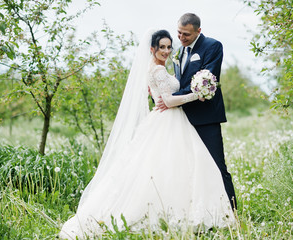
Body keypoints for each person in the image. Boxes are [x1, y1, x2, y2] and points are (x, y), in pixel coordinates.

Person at [59, 29, 234, 240]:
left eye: (169, 47)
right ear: (152, 49)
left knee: (173, 167)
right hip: (167, 119)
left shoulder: (159, 68)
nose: (167, 51)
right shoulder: (158, 71)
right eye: (162, 47)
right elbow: (168, 101)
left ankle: (182, 211)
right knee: (165, 167)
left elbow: (163, 94)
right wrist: (195, 95)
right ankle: (169, 213)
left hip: (171, 120)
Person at [157, 13, 237, 209]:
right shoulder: (178, 52)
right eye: (179, 32)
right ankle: (200, 211)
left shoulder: (212, 46)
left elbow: (207, 81)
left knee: (217, 166)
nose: (181, 38)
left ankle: (233, 212)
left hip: (206, 118)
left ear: (198, 31)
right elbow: (178, 82)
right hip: (181, 119)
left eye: (186, 34)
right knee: (189, 169)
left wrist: (172, 101)